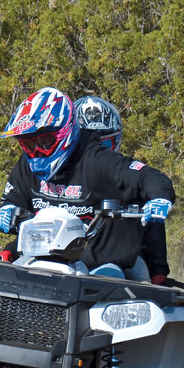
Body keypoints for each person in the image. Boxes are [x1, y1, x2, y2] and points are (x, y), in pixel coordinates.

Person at [0, 87, 175, 280]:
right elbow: (14, 198)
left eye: (45, 142)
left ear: (65, 132)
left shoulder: (98, 159)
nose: (37, 151)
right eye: (30, 144)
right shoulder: (27, 163)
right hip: (42, 257)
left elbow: (149, 177)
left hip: (102, 265)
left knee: (114, 282)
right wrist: (7, 209)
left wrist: (160, 198)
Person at [73, 94, 170, 284]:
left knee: (140, 279)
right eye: (86, 143)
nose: (96, 151)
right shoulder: (59, 173)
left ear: (116, 139)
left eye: (104, 143)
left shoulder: (123, 173)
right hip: (69, 253)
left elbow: (153, 223)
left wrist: (158, 270)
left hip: (120, 258)